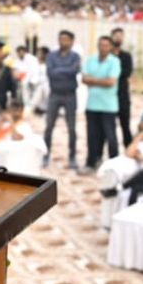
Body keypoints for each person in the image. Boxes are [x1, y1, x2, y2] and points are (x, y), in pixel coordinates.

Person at [80, 35, 122, 175]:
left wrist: (94, 80)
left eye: (105, 45)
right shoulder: (90, 60)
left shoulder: (114, 61)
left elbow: (111, 82)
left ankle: (115, 166)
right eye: (100, 45)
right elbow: (84, 79)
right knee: (92, 136)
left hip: (108, 106)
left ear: (110, 47)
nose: (102, 48)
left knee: (111, 137)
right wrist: (100, 81)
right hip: (92, 105)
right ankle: (92, 162)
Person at [43, 30, 82, 169]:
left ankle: (72, 157)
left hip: (70, 95)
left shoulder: (76, 56)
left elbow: (75, 71)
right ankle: (45, 155)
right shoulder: (51, 56)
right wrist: (65, 70)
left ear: (71, 41)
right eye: (61, 39)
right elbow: (50, 73)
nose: (62, 42)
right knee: (49, 127)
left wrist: (59, 70)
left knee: (71, 128)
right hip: (55, 94)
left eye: (66, 39)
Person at [111, 28, 135, 148]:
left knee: (125, 125)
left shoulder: (126, 56)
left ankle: (129, 149)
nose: (119, 38)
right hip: (109, 96)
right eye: (116, 35)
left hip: (122, 95)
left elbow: (127, 72)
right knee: (109, 127)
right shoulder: (107, 55)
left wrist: (113, 73)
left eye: (121, 35)